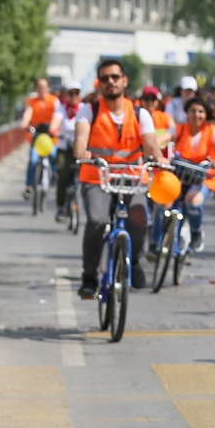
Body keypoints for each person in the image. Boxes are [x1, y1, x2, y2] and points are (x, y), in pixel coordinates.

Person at [73, 58, 167, 297]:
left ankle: (133, 259)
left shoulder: (139, 113)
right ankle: (90, 276)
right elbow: (81, 139)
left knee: (138, 219)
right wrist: (81, 150)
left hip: (131, 177)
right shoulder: (89, 110)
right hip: (97, 177)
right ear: (99, 83)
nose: (110, 82)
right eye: (105, 78)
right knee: (97, 221)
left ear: (124, 81)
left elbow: (150, 144)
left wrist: (159, 159)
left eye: (115, 77)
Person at [170, 96, 215, 253]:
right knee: (162, 201)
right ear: (187, 112)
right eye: (193, 111)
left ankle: (196, 231)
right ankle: (156, 244)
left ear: (206, 114)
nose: (197, 115)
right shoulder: (180, 129)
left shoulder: (213, 131)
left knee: (192, 199)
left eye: (201, 111)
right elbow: (159, 140)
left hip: (206, 177)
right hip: (181, 176)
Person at [20, 77, 63, 198]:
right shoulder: (32, 101)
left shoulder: (54, 100)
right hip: (37, 136)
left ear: (48, 87)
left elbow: (58, 114)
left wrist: (56, 127)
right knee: (33, 160)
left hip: (50, 136)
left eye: (44, 86)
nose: (41, 89)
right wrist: (24, 123)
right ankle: (29, 187)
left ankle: (55, 175)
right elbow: (28, 113)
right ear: (35, 88)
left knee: (54, 155)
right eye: (39, 86)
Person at [55, 81, 83, 221]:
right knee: (63, 176)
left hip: (80, 148)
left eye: (76, 93)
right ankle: (61, 208)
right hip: (65, 147)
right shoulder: (62, 109)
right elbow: (55, 122)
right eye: (71, 93)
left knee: (83, 177)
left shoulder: (84, 109)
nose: (74, 96)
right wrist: (54, 130)